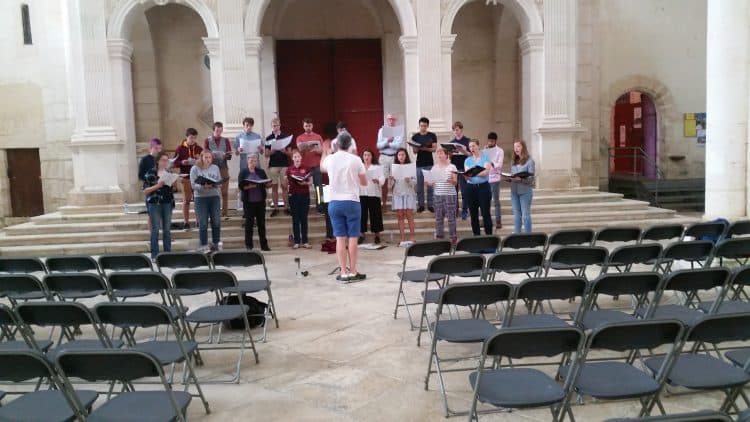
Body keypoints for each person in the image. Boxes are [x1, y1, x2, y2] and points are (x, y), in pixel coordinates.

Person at [321, 132, 368, 282]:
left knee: (340, 238)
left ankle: (343, 272)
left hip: (334, 202)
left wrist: (324, 151)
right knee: (353, 237)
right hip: (352, 201)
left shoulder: (330, 159)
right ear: (350, 144)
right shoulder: (356, 160)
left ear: (336, 144)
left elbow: (322, 167)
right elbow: (364, 182)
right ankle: (353, 271)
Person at [142, 152, 175, 260]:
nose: (166, 162)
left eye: (167, 160)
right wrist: (158, 185)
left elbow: (171, 190)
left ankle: (168, 254)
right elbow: (145, 191)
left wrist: (173, 183)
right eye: (163, 160)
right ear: (158, 161)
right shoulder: (150, 173)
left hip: (167, 203)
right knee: (155, 229)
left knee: (167, 229)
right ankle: (155, 255)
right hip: (155, 203)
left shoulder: (169, 172)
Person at [190, 150, 223, 253]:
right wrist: (203, 186)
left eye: (210, 157)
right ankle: (204, 246)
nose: (208, 159)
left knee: (216, 222)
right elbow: (193, 185)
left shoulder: (215, 168)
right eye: (206, 157)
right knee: (203, 223)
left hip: (214, 197)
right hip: (201, 198)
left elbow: (219, 182)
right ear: (201, 157)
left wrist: (216, 184)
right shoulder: (195, 169)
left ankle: (215, 244)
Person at [239, 154, 270, 251]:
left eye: (254, 161)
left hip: (260, 201)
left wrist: (268, 183)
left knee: (261, 224)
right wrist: (250, 186)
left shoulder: (261, 172)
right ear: (247, 161)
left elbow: (265, 184)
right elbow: (241, 187)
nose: (253, 163)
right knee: (249, 224)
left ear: (257, 162)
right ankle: (249, 245)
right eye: (251, 161)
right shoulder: (243, 172)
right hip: (249, 202)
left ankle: (264, 246)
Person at [173, 128, 202, 230]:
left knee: (198, 200)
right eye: (191, 138)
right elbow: (174, 163)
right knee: (187, 200)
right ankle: (186, 222)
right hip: (185, 177)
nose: (193, 140)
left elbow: (205, 162)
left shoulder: (199, 148)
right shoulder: (180, 148)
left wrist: (199, 160)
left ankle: (199, 221)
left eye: (194, 138)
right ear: (186, 137)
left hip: (198, 178)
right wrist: (182, 162)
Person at [265, 117, 294, 217]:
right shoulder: (268, 138)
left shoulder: (285, 137)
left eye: (276, 125)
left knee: (285, 186)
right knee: (274, 187)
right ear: (271, 127)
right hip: (273, 165)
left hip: (284, 165)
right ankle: (276, 208)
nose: (275, 127)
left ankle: (286, 207)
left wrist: (284, 151)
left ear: (280, 125)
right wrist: (271, 152)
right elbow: (266, 154)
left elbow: (290, 153)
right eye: (273, 126)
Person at [463, 139, 493, 235]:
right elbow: (467, 176)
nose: (472, 148)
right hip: (471, 189)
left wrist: (473, 173)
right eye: (470, 146)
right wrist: (476, 172)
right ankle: (477, 238)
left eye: (474, 146)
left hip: (483, 188)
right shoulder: (467, 160)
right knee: (473, 214)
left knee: (485, 214)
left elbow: (486, 172)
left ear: (478, 146)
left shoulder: (485, 158)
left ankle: (489, 238)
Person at [428, 147, 458, 244]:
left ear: (446, 155)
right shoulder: (434, 167)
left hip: (450, 195)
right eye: (438, 153)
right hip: (438, 195)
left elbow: (455, 182)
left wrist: (451, 180)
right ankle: (439, 237)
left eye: (441, 153)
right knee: (438, 218)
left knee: (451, 218)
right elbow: (431, 181)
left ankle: (453, 237)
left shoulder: (452, 167)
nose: (439, 155)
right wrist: (428, 182)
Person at [203, 121, 232, 218]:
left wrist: (227, 155)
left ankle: (225, 213)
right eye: (217, 131)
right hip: (211, 168)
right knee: (213, 191)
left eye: (220, 131)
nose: (219, 133)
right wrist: (211, 155)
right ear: (213, 130)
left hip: (223, 167)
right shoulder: (207, 140)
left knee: (224, 192)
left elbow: (229, 156)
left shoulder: (226, 140)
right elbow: (204, 154)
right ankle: (214, 213)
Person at [390, 148, 417, 246]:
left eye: (403, 154)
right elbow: (390, 185)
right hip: (398, 193)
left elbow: (415, 182)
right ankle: (402, 238)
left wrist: (408, 180)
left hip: (408, 193)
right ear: (397, 157)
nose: (401, 156)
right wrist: (392, 179)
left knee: (409, 215)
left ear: (406, 156)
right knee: (400, 215)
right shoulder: (394, 168)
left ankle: (412, 237)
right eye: (399, 155)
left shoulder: (410, 167)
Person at [297, 118, 324, 213]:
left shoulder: (318, 137)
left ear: (312, 126)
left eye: (309, 125)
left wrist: (317, 150)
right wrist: (304, 149)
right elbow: (299, 153)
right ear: (303, 126)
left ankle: (320, 207)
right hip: (305, 166)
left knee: (318, 187)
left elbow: (323, 151)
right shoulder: (300, 138)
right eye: (306, 126)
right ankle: (304, 207)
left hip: (316, 165)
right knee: (303, 187)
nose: (308, 127)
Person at [508, 140, 535, 233]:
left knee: (525, 215)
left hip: (525, 191)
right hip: (514, 191)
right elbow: (512, 175)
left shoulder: (530, 161)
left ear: (523, 147)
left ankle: (528, 237)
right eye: (515, 147)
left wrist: (521, 179)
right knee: (516, 216)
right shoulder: (513, 161)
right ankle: (517, 236)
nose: (516, 149)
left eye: (518, 146)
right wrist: (509, 178)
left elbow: (531, 179)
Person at [377, 113, 403, 209]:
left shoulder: (398, 131)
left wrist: (387, 144)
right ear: (387, 120)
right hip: (383, 157)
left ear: (395, 120)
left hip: (394, 156)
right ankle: (383, 203)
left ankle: (395, 204)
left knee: (395, 180)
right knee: (384, 181)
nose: (391, 121)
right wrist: (388, 141)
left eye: (393, 119)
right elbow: (379, 146)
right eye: (389, 119)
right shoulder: (381, 131)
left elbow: (397, 146)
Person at [411, 117, 437, 213]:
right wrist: (418, 148)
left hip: (429, 163)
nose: (423, 127)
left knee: (430, 185)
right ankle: (421, 205)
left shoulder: (432, 135)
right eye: (421, 126)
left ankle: (430, 205)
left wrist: (424, 148)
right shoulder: (415, 137)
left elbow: (434, 149)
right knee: (419, 186)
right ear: (419, 126)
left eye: (425, 126)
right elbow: (414, 151)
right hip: (419, 164)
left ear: (428, 126)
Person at [286, 150, 311, 249]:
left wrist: (304, 183)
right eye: (295, 157)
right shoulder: (289, 169)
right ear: (292, 159)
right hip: (293, 196)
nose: (297, 159)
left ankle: (305, 241)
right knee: (295, 219)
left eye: (298, 157)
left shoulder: (306, 168)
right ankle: (296, 241)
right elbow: (285, 183)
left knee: (304, 218)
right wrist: (286, 181)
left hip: (304, 195)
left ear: (301, 158)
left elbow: (310, 182)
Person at [359, 148, 385, 244]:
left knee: (375, 214)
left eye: (368, 155)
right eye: (365, 155)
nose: (366, 157)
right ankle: (362, 234)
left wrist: (378, 180)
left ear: (372, 156)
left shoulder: (377, 167)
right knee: (362, 214)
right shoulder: (359, 167)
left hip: (374, 193)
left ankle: (377, 234)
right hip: (362, 193)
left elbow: (382, 177)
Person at [449, 122, 471, 220]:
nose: (456, 132)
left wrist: (462, 151)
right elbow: (449, 158)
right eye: (454, 130)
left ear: (461, 129)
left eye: (457, 130)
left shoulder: (467, 141)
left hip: (464, 168)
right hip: (454, 168)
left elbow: (471, 155)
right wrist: (450, 152)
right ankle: (456, 210)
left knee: (464, 191)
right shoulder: (452, 142)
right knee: (454, 191)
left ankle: (465, 211)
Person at [484, 132, 504, 230]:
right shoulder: (485, 150)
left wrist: (491, 159)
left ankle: (498, 220)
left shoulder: (500, 151)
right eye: (489, 141)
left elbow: (499, 165)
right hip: (486, 178)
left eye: (492, 141)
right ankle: (487, 220)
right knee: (485, 201)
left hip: (495, 178)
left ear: (495, 141)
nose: (490, 143)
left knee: (496, 201)